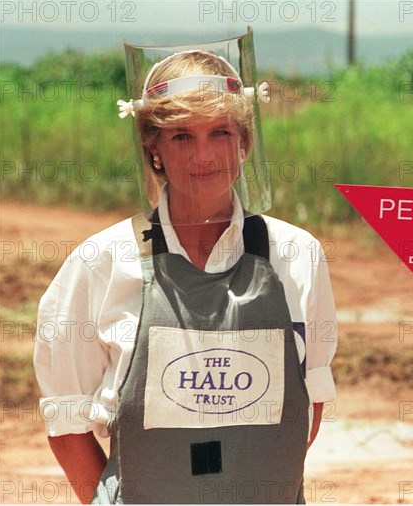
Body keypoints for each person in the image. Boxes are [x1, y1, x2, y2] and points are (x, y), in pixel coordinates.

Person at [34, 40, 337, 504]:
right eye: (182, 136)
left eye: (220, 132)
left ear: (245, 143)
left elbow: (308, 400)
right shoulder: (100, 262)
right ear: (152, 146)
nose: (204, 156)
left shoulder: (297, 255)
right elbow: (67, 424)